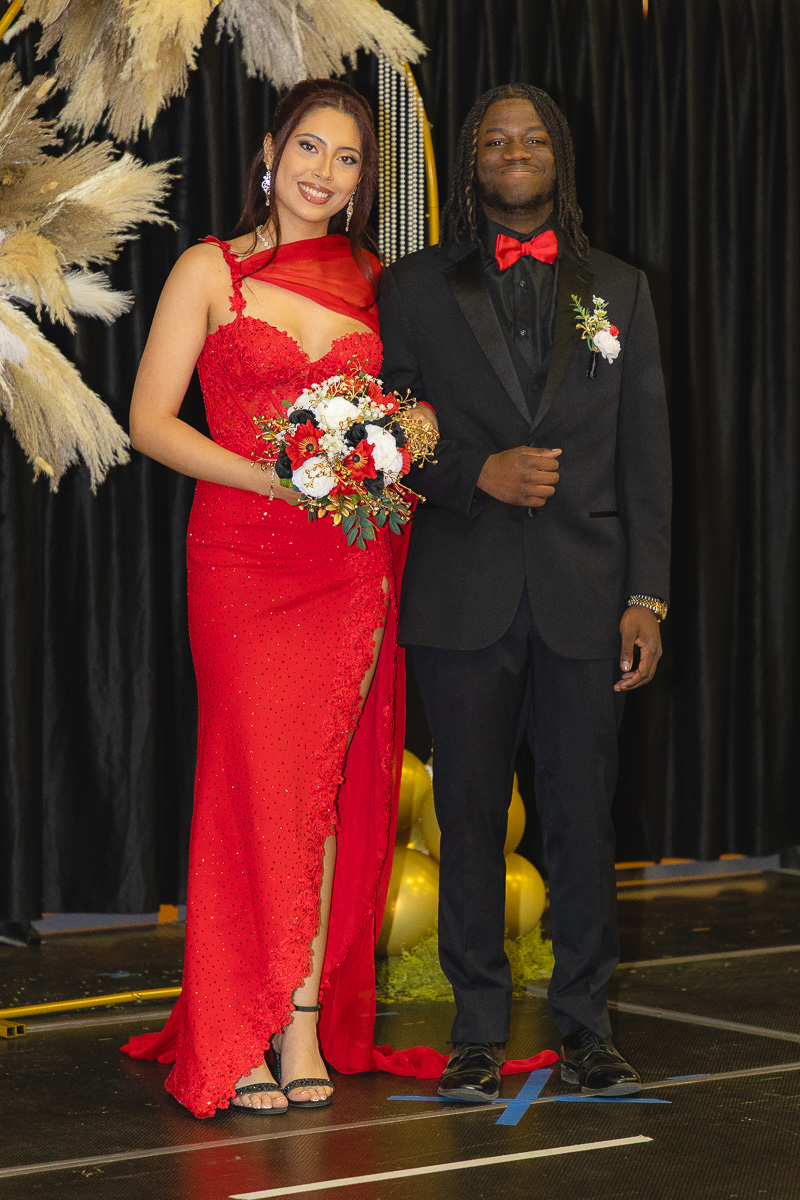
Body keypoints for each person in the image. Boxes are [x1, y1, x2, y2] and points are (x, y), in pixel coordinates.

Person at [120, 78, 437, 1118]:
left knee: (321, 785)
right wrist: (272, 477)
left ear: (360, 181)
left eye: (347, 160)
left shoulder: (377, 281)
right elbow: (149, 422)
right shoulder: (210, 268)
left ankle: (298, 1018)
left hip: (347, 568)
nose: (323, 173)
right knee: (251, 779)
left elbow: (415, 419)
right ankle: (234, 1024)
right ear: (270, 150)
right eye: (310, 148)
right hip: (242, 558)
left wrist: (394, 449)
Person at [379, 82, 671, 1102]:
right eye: (495, 140)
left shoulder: (619, 291)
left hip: (587, 598)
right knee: (465, 816)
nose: (513, 150)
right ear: (471, 162)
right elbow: (390, 443)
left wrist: (648, 595)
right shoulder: (411, 289)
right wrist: (474, 474)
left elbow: (645, 457)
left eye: (531, 137)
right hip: (460, 593)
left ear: (558, 158)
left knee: (583, 816)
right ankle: (472, 1030)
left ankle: (587, 1026)